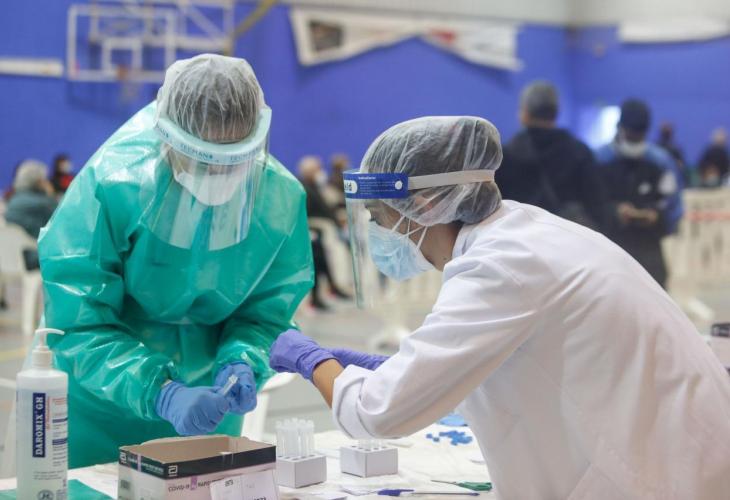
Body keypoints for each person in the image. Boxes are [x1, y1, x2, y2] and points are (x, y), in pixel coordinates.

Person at [267, 116, 730, 500]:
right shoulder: (524, 229)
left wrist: (311, 360)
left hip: (662, 476)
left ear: (423, 203)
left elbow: (376, 413)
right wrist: (391, 370)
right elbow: (486, 366)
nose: (379, 234)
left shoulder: (500, 267)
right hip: (682, 450)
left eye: (380, 217)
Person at [37, 54, 314, 468]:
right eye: (200, 160)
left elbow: (267, 313)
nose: (215, 176)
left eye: (232, 161)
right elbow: (78, 322)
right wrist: (159, 391)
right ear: (167, 136)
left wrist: (242, 359)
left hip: (210, 406)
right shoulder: (112, 185)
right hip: (101, 400)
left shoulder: (278, 201)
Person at [498, 81, 608, 230]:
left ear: (525, 113)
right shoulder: (579, 151)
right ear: (556, 113)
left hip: (519, 236)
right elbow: (597, 205)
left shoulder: (505, 155)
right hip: (566, 236)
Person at [595, 99, 680, 288]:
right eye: (631, 135)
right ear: (620, 128)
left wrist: (656, 216)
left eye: (639, 136)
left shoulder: (660, 162)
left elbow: (673, 206)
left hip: (649, 256)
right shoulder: (599, 160)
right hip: (609, 252)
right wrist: (613, 212)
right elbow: (590, 205)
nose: (634, 141)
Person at [298, 156, 350, 310]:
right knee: (317, 261)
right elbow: (307, 212)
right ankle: (324, 292)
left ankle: (329, 289)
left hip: (322, 230)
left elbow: (326, 207)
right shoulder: (304, 188)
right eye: (317, 169)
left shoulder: (315, 186)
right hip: (313, 230)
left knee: (322, 261)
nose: (320, 172)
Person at [4, 159, 58, 269]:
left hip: (10, 258)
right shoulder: (43, 203)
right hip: (33, 257)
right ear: (39, 181)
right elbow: (61, 218)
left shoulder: (13, 201)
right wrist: (50, 194)